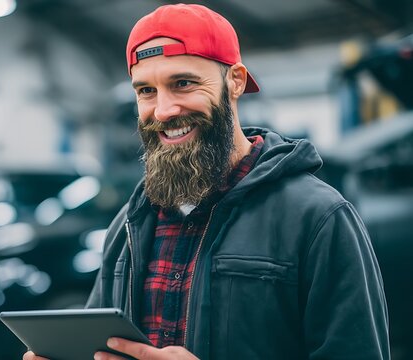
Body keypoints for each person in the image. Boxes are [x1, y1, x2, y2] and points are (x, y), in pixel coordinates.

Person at [24, 3, 389, 360]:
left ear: (236, 81)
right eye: (146, 91)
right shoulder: (129, 225)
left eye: (183, 83)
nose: (164, 110)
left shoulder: (319, 219)